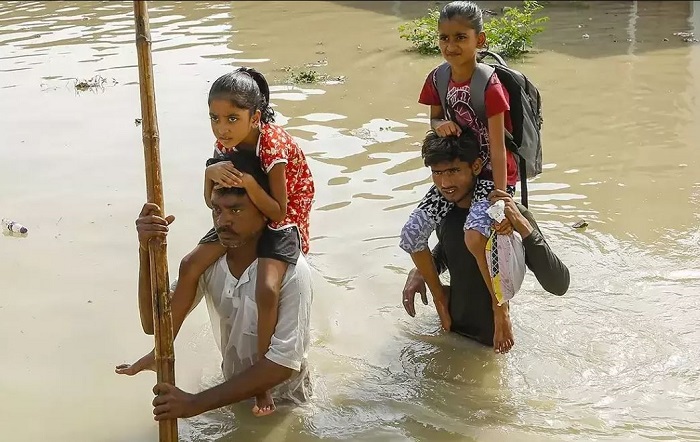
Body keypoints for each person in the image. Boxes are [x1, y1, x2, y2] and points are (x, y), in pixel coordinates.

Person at [115, 150, 313, 421]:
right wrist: (146, 251)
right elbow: (155, 325)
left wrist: (195, 404)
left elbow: (281, 365)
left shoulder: (292, 272)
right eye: (217, 210)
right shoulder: (207, 265)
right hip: (229, 389)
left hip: (285, 403)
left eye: (236, 210)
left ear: (263, 213)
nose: (223, 221)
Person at [174, 67, 315, 416]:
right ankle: (161, 348)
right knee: (190, 264)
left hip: (283, 221)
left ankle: (262, 383)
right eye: (214, 118)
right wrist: (209, 173)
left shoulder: (274, 144)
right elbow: (212, 201)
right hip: (242, 214)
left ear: (255, 116)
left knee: (267, 289)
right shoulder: (225, 143)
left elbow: (279, 210)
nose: (222, 128)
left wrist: (251, 185)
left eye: (232, 118)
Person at [399, 1, 519, 346]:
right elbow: (434, 119)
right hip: (460, 170)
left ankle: (500, 309)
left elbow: (497, 146)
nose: (451, 46)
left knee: (473, 236)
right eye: (444, 38)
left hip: (491, 173)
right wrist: (442, 124)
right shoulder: (438, 78)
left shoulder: (490, 86)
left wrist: (500, 197)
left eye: (460, 38)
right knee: (411, 234)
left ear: (479, 40)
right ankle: (440, 299)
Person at [401, 130, 570, 353]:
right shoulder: (444, 215)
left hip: (495, 344)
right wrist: (421, 271)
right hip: (450, 332)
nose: (445, 183)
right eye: (437, 173)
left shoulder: (508, 219)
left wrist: (522, 224)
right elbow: (450, 252)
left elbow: (558, 284)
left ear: (476, 167)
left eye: (454, 171)